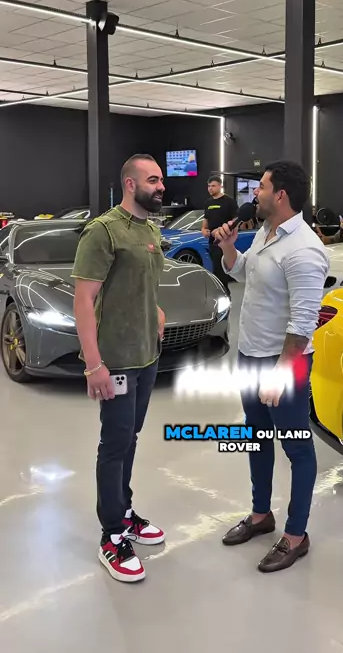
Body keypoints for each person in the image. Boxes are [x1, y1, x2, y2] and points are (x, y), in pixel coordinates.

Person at [216, 161, 329, 573]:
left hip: (283, 363)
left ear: (280, 194)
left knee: (297, 446)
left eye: (261, 187)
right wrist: (229, 249)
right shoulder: (267, 233)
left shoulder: (305, 249)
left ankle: (296, 535)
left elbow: (302, 325)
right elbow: (243, 273)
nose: (255, 194)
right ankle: (261, 514)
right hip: (251, 354)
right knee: (257, 436)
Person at [73, 154, 166, 583]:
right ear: (130, 184)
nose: (161, 186)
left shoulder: (150, 229)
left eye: (161, 179)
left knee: (130, 436)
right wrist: (94, 365)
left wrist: (155, 311)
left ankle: (124, 511)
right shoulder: (104, 231)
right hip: (118, 361)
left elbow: (140, 284)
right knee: (114, 443)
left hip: (148, 356)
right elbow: (83, 301)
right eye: (153, 180)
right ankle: (111, 534)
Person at [202, 174, 237, 296]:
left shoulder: (229, 201)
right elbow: (206, 219)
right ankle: (219, 293)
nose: (210, 188)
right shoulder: (208, 202)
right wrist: (203, 229)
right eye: (209, 186)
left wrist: (222, 229)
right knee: (216, 268)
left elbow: (235, 221)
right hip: (212, 242)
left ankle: (225, 294)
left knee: (222, 269)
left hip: (224, 241)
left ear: (220, 186)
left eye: (213, 186)